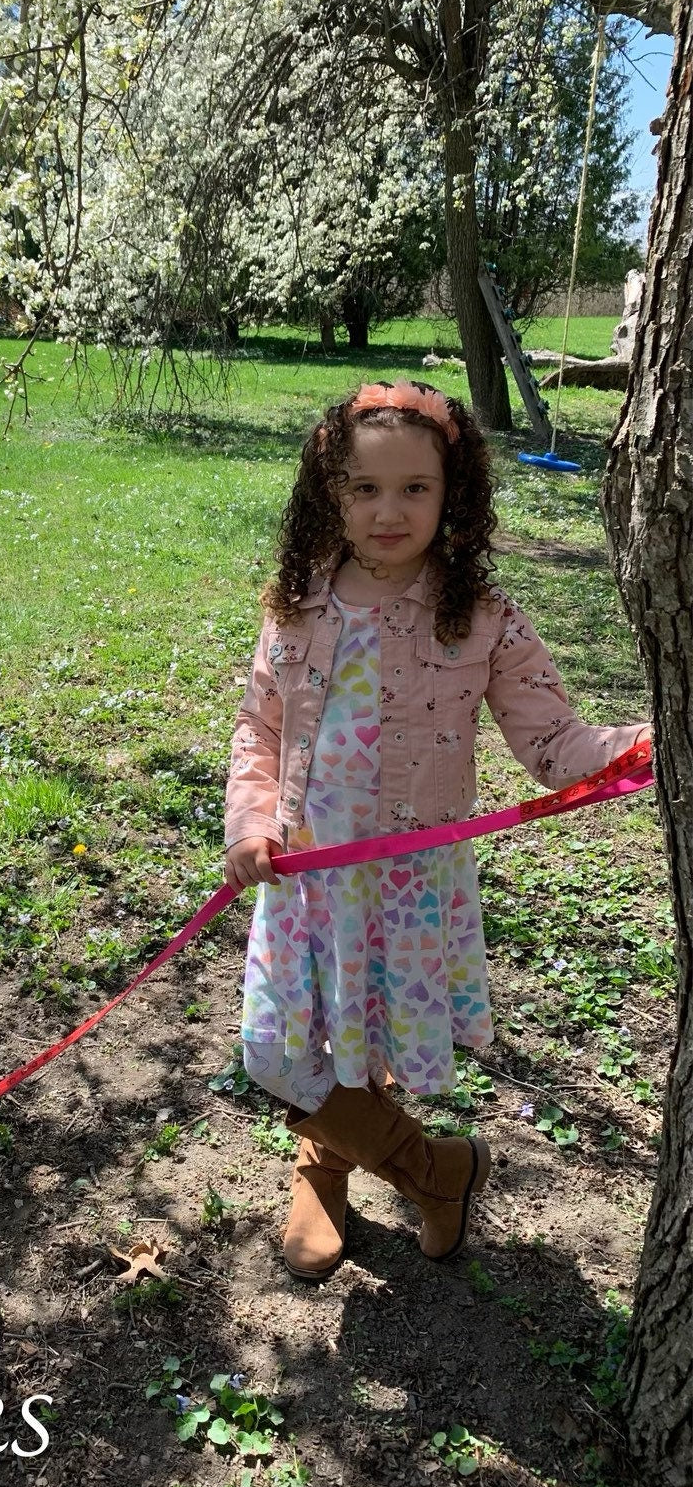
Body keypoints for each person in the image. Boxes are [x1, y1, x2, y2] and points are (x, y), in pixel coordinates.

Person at [224, 380, 650, 1280]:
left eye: (415, 488)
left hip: (408, 882)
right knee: (278, 1051)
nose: (389, 511)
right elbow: (260, 727)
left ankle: (326, 1164)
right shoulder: (296, 601)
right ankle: (434, 1168)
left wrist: (652, 744)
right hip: (308, 875)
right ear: (328, 495)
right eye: (365, 488)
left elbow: (554, 742)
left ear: (452, 495)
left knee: (365, 1034)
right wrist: (252, 819)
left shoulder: (482, 615)